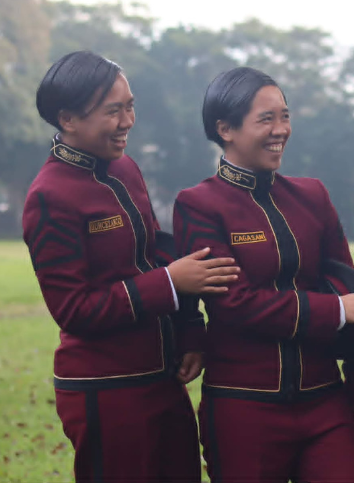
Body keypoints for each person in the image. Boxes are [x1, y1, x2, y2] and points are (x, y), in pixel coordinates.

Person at [22, 51, 241, 482]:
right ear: (68, 119)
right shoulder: (49, 197)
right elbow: (74, 310)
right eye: (112, 111)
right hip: (106, 391)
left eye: (130, 106)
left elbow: (158, 252)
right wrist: (168, 283)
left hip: (163, 379)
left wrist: (190, 332)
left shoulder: (125, 168)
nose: (127, 122)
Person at [173, 67, 354, 482]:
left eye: (285, 116)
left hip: (325, 402)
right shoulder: (198, 205)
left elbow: (347, 286)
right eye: (266, 119)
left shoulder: (312, 196)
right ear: (225, 129)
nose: (281, 130)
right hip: (242, 407)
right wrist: (336, 310)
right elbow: (235, 303)